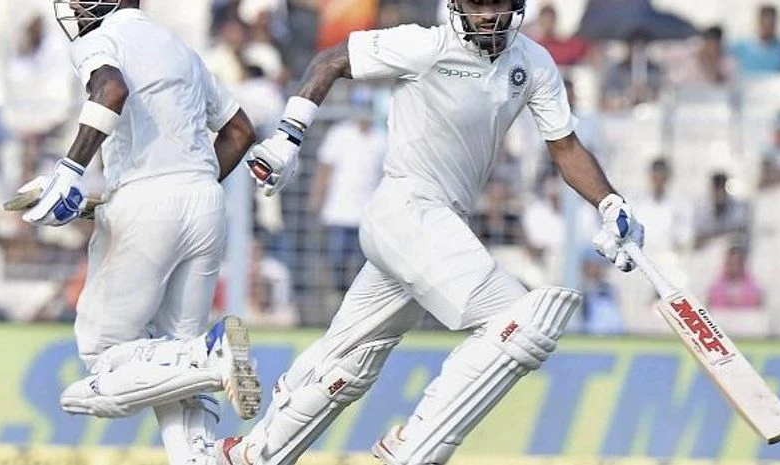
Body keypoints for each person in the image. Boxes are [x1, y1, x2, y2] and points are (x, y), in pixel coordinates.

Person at [221, 1, 644, 464]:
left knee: (348, 365)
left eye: (496, 4)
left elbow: (564, 147)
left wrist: (610, 203)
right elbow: (331, 59)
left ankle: (250, 453)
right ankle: (413, 447)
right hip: (407, 209)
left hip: (437, 226)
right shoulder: (426, 44)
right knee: (522, 321)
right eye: (476, 4)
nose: (486, 15)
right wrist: (288, 136)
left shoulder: (532, 61)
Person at [22, 2, 262, 464]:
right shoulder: (182, 49)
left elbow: (110, 90)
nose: (73, 4)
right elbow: (240, 131)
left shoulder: (99, 39)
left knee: (102, 354)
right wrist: (184, 191)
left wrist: (71, 170)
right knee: (174, 369)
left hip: (145, 203)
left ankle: (207, 356)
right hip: (205, 204)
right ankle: (198, 455)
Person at [308, 98, 385, 295]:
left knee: (365, 264)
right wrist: (317, 197)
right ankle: (341, 296)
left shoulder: (381, 138)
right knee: (337, 260)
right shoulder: (340, 134)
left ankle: (359, 298)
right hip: (339, 210)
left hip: (368, 213)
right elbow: (325, 169)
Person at [729, 4, 780, 75]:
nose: (767, 28)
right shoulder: (741, 48)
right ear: (758, 22)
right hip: (750, 84)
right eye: (764, 23)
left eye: (771, 24)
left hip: (776, 85)